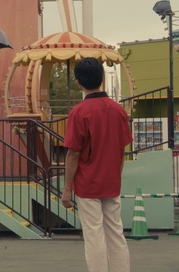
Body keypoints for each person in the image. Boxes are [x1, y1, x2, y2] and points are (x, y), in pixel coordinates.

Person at [62, 58, 133, 272]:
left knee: (94, 235)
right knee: (115, 233)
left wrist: (67, 189)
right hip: (112, 181)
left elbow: (73, 153)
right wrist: (116, 175)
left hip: (87, 184)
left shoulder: (79, 112)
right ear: (102, 78)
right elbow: (122, 148)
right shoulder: (118, 110)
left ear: (78, 82)